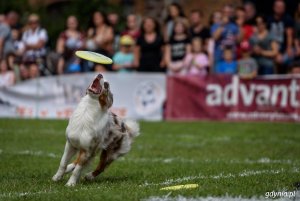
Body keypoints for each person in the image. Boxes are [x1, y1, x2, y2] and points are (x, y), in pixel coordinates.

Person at [268, 0, 294, 73]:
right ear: (274, 7)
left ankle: (288, 80)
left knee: (288, 57)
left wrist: (288, 48)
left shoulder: (288, 18)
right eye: (278, 6)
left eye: (281, 7)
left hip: (284, 48)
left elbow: (289, 35)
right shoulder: (269, 19)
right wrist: (275, 53)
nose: (280, 8)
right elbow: (267, 36)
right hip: (271, 48)